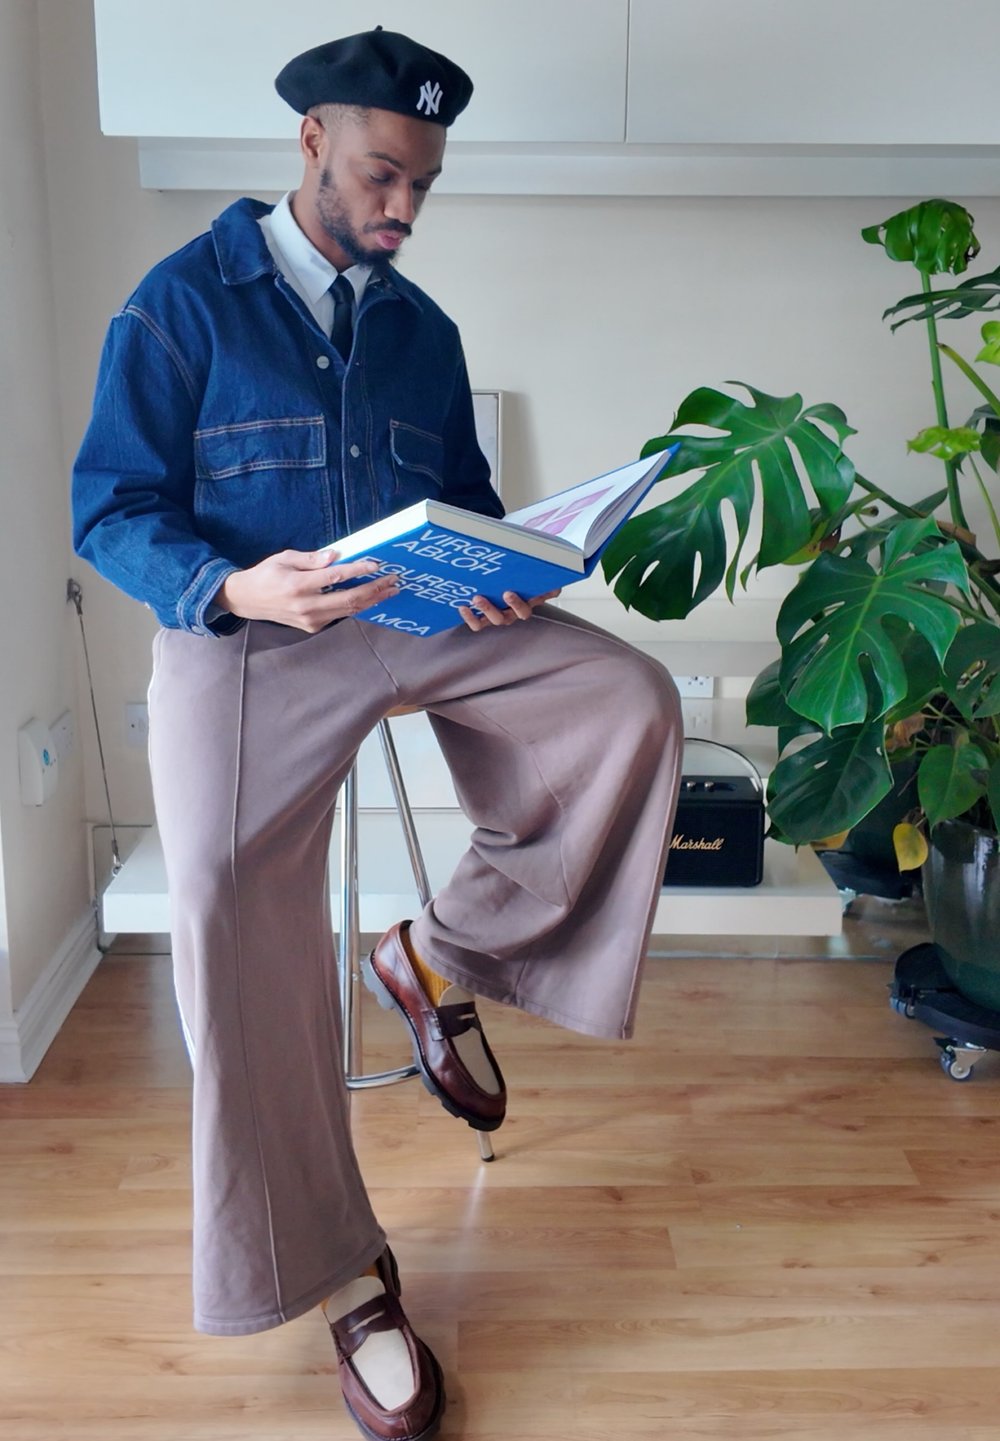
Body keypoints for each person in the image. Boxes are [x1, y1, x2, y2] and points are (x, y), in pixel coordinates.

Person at [73, 27, 683, 1441]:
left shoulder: (421, 330)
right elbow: (107, 506)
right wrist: (232, 584)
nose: (404, 209)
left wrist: (492, 568)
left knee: (628, 701)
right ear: (310, 146)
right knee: (226, 908)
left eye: (424, 185)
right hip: (249, 640)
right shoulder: (178, 307)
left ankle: (434, 951)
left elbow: (465, 496)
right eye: (380, 175)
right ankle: (346, 1271)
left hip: (409, 619)